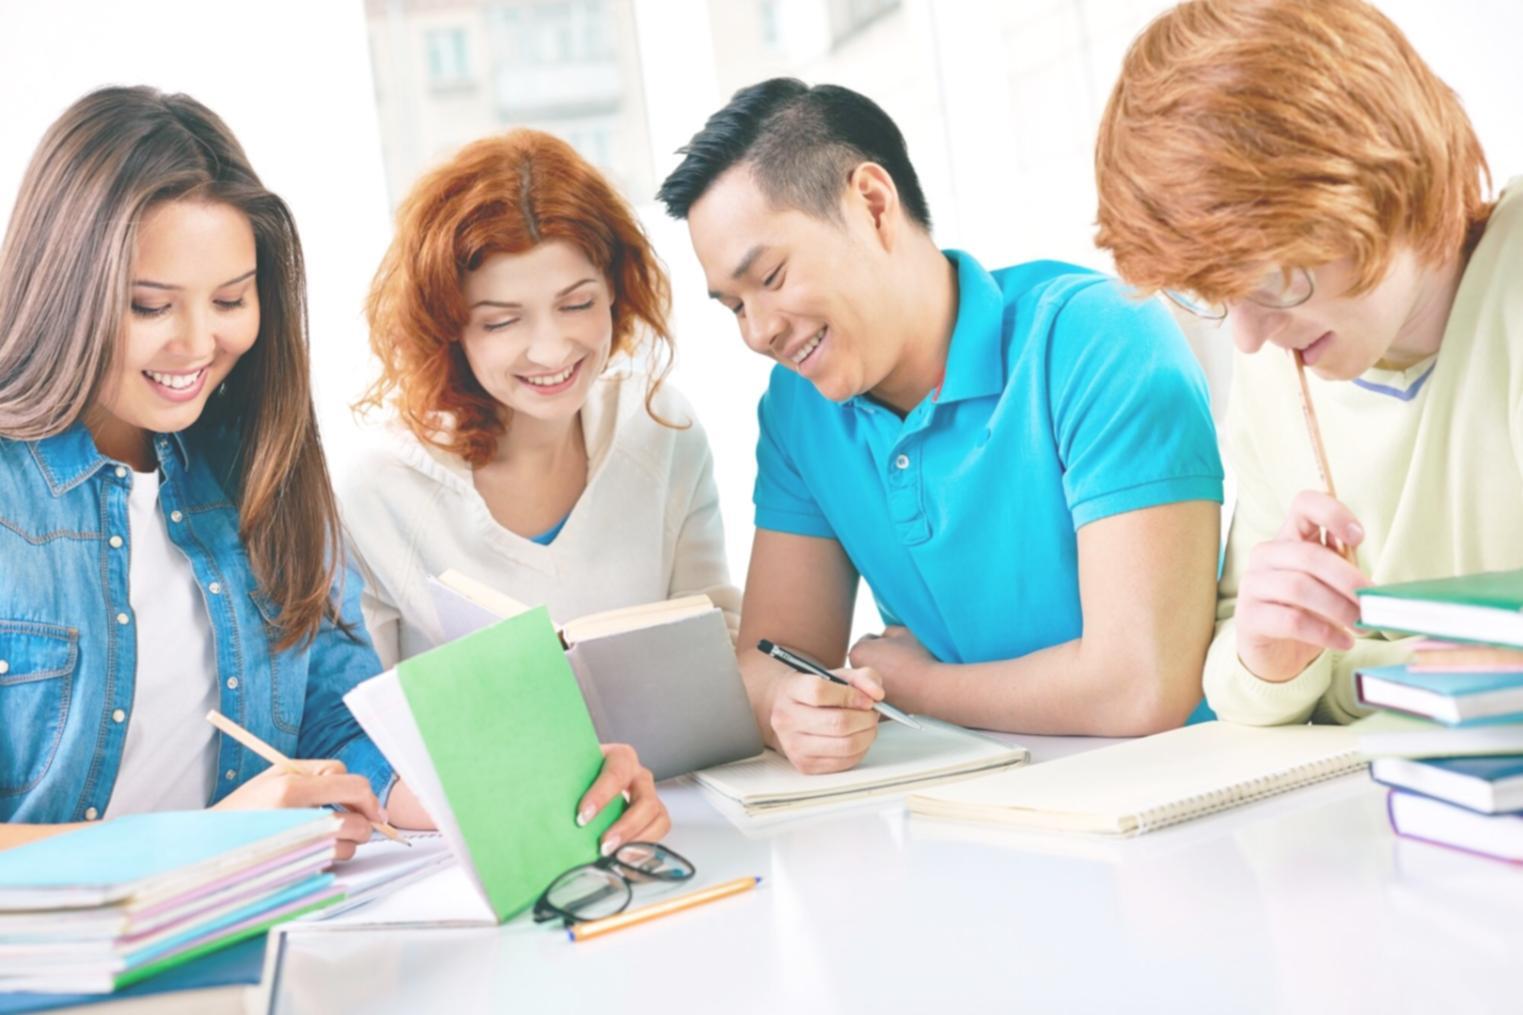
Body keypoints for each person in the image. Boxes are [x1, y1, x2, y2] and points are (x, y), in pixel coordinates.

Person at [0, 89, 660, 856]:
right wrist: (206, 842)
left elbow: (341, 730)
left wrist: (547, 785)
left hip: (249, 940)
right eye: (150, 306)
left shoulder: (263, 477)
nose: (198, 341)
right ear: (64, 292)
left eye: (230, 299)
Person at [657, 79, 1224, 773]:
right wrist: (787, 706)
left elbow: (1141, 685)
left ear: (871, 203)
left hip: (1173, 798)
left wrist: (917, 686)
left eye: (770, 277)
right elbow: (771, 659)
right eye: (733, 306)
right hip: (966, 810)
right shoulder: (796, 410)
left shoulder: (1096, 336)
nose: (758, 331)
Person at [1093, 0, 1522, 724]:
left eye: (1272, 281)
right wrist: (1271, 653)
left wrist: (1354, 666)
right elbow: (1239, 670)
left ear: (1376, 178)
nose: (1249, 338)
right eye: (1220, 298)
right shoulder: (1281, 370)